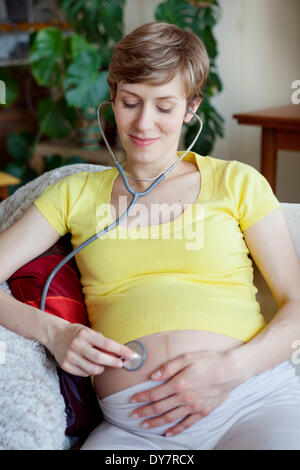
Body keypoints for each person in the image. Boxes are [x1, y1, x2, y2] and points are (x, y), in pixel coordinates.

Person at [1, 22, 300, 451]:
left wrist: (232, 367)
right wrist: (53, 333)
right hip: (132, 432)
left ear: (190, 108)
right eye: (131, 102)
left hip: (251, 401)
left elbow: (297, 305)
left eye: (164, 106)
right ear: (113, 100)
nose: (144, 124)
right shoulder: (74, 194)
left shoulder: (238, 183)